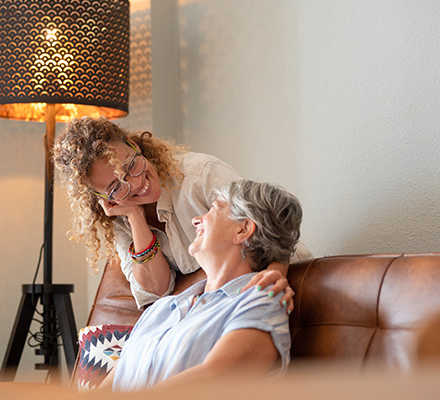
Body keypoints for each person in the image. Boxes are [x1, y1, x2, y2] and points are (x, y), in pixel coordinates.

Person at [53, 117, 311, 312]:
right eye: (116, 186)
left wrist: (276, 273)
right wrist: (134, 217)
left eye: (131, 165)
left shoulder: (200, 175)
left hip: (279, 278)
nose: (135, 183)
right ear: (100, 198)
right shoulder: (119, 216)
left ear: (134, 145)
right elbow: (155, 290)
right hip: (216, 301)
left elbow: (268, 225)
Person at [104, 180, 302, 391]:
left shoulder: (262, 300)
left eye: (214, 209)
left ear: (243, 229)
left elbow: (214, 378)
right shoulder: (161, 309)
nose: (196, 219)